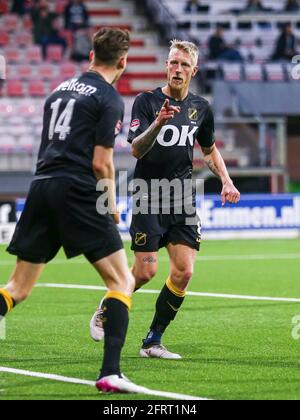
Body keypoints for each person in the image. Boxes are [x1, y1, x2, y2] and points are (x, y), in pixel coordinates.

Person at [0, 27, 144, 394]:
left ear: (91, 55)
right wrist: (110, 205)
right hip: (78, 190)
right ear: (123, 63)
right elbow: (101, 162)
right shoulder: (109, 98)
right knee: (122, 282)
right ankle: (111, 372)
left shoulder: (58, 90)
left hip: (42, 185)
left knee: (17, 287)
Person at [90, 40, 240, 359]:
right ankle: (108, 305)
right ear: (166, 66)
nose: (178, 69)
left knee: (184, 272)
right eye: (173, 63)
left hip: (182, 198)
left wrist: (226, 180)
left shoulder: (201, 107)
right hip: (148, 194)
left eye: (184, 65)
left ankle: (153, 340)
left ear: (193, 71)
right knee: (145, 272)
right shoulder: (147, 102)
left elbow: (209, 151)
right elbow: (136, 149)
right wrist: (158, 123)